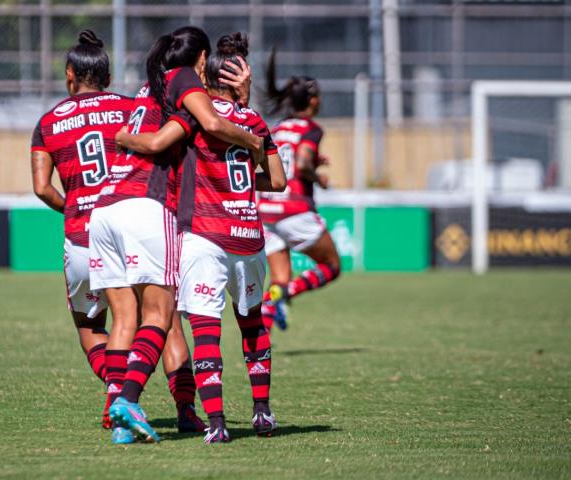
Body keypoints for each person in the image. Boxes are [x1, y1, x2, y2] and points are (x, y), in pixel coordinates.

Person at [88, 26, 263, 444]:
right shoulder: (182, 77)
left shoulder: (149, 88)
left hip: (105, 210)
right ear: (201, 58)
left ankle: (125, 422)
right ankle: (128, 400)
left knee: (126, 318)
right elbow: (211, 124)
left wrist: (242, 103)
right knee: (160, 316)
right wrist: (253, 139)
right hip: (147, 207)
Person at [30, 30, 204, 445]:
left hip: (85, 232)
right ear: (107, 75)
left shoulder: (49, 121)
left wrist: (74, 206)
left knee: (93, 324)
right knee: (165, 323)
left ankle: (117, 396)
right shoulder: (133, 107)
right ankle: (183, 410)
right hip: (140, 215)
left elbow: (41, 188)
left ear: (70, 74)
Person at [257, 49, 341, 332]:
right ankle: (281, 297)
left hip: (266, 209)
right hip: (295, 209)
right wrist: (318, 177)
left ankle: (261, 341)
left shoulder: (278, 128)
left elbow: (284, 157)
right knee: (331, 266)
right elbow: (302, 162)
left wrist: (312, 162)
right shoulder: (311, 129)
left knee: (278, 279)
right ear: (314, 101)